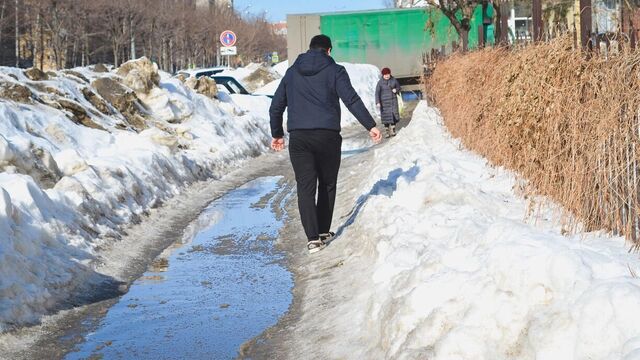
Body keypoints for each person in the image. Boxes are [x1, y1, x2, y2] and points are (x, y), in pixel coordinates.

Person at [269, 34, 382, 254]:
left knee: (305, 186)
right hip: (327, 136)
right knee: (327, 184)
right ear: (328, 50)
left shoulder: (292, 72)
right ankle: (322, 230)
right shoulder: (335, 71)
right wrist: (370, 125)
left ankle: (313, 238)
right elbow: (351, 100)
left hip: (299, 138)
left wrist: (277, 134)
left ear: (310, 49)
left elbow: (276, 106)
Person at [375, 67, 402, 138]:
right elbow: (377, 93)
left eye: (388, 74)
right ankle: (387, 131)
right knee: (385, 117)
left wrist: (396, 90)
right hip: (384, 103)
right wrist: (377, 102)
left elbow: (399, 87)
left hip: (393, 101)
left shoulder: (394, 80)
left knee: (393, 116)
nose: (387, 76)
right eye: (385, 75)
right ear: (383, 75)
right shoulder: (380, 83)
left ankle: (393, 130)